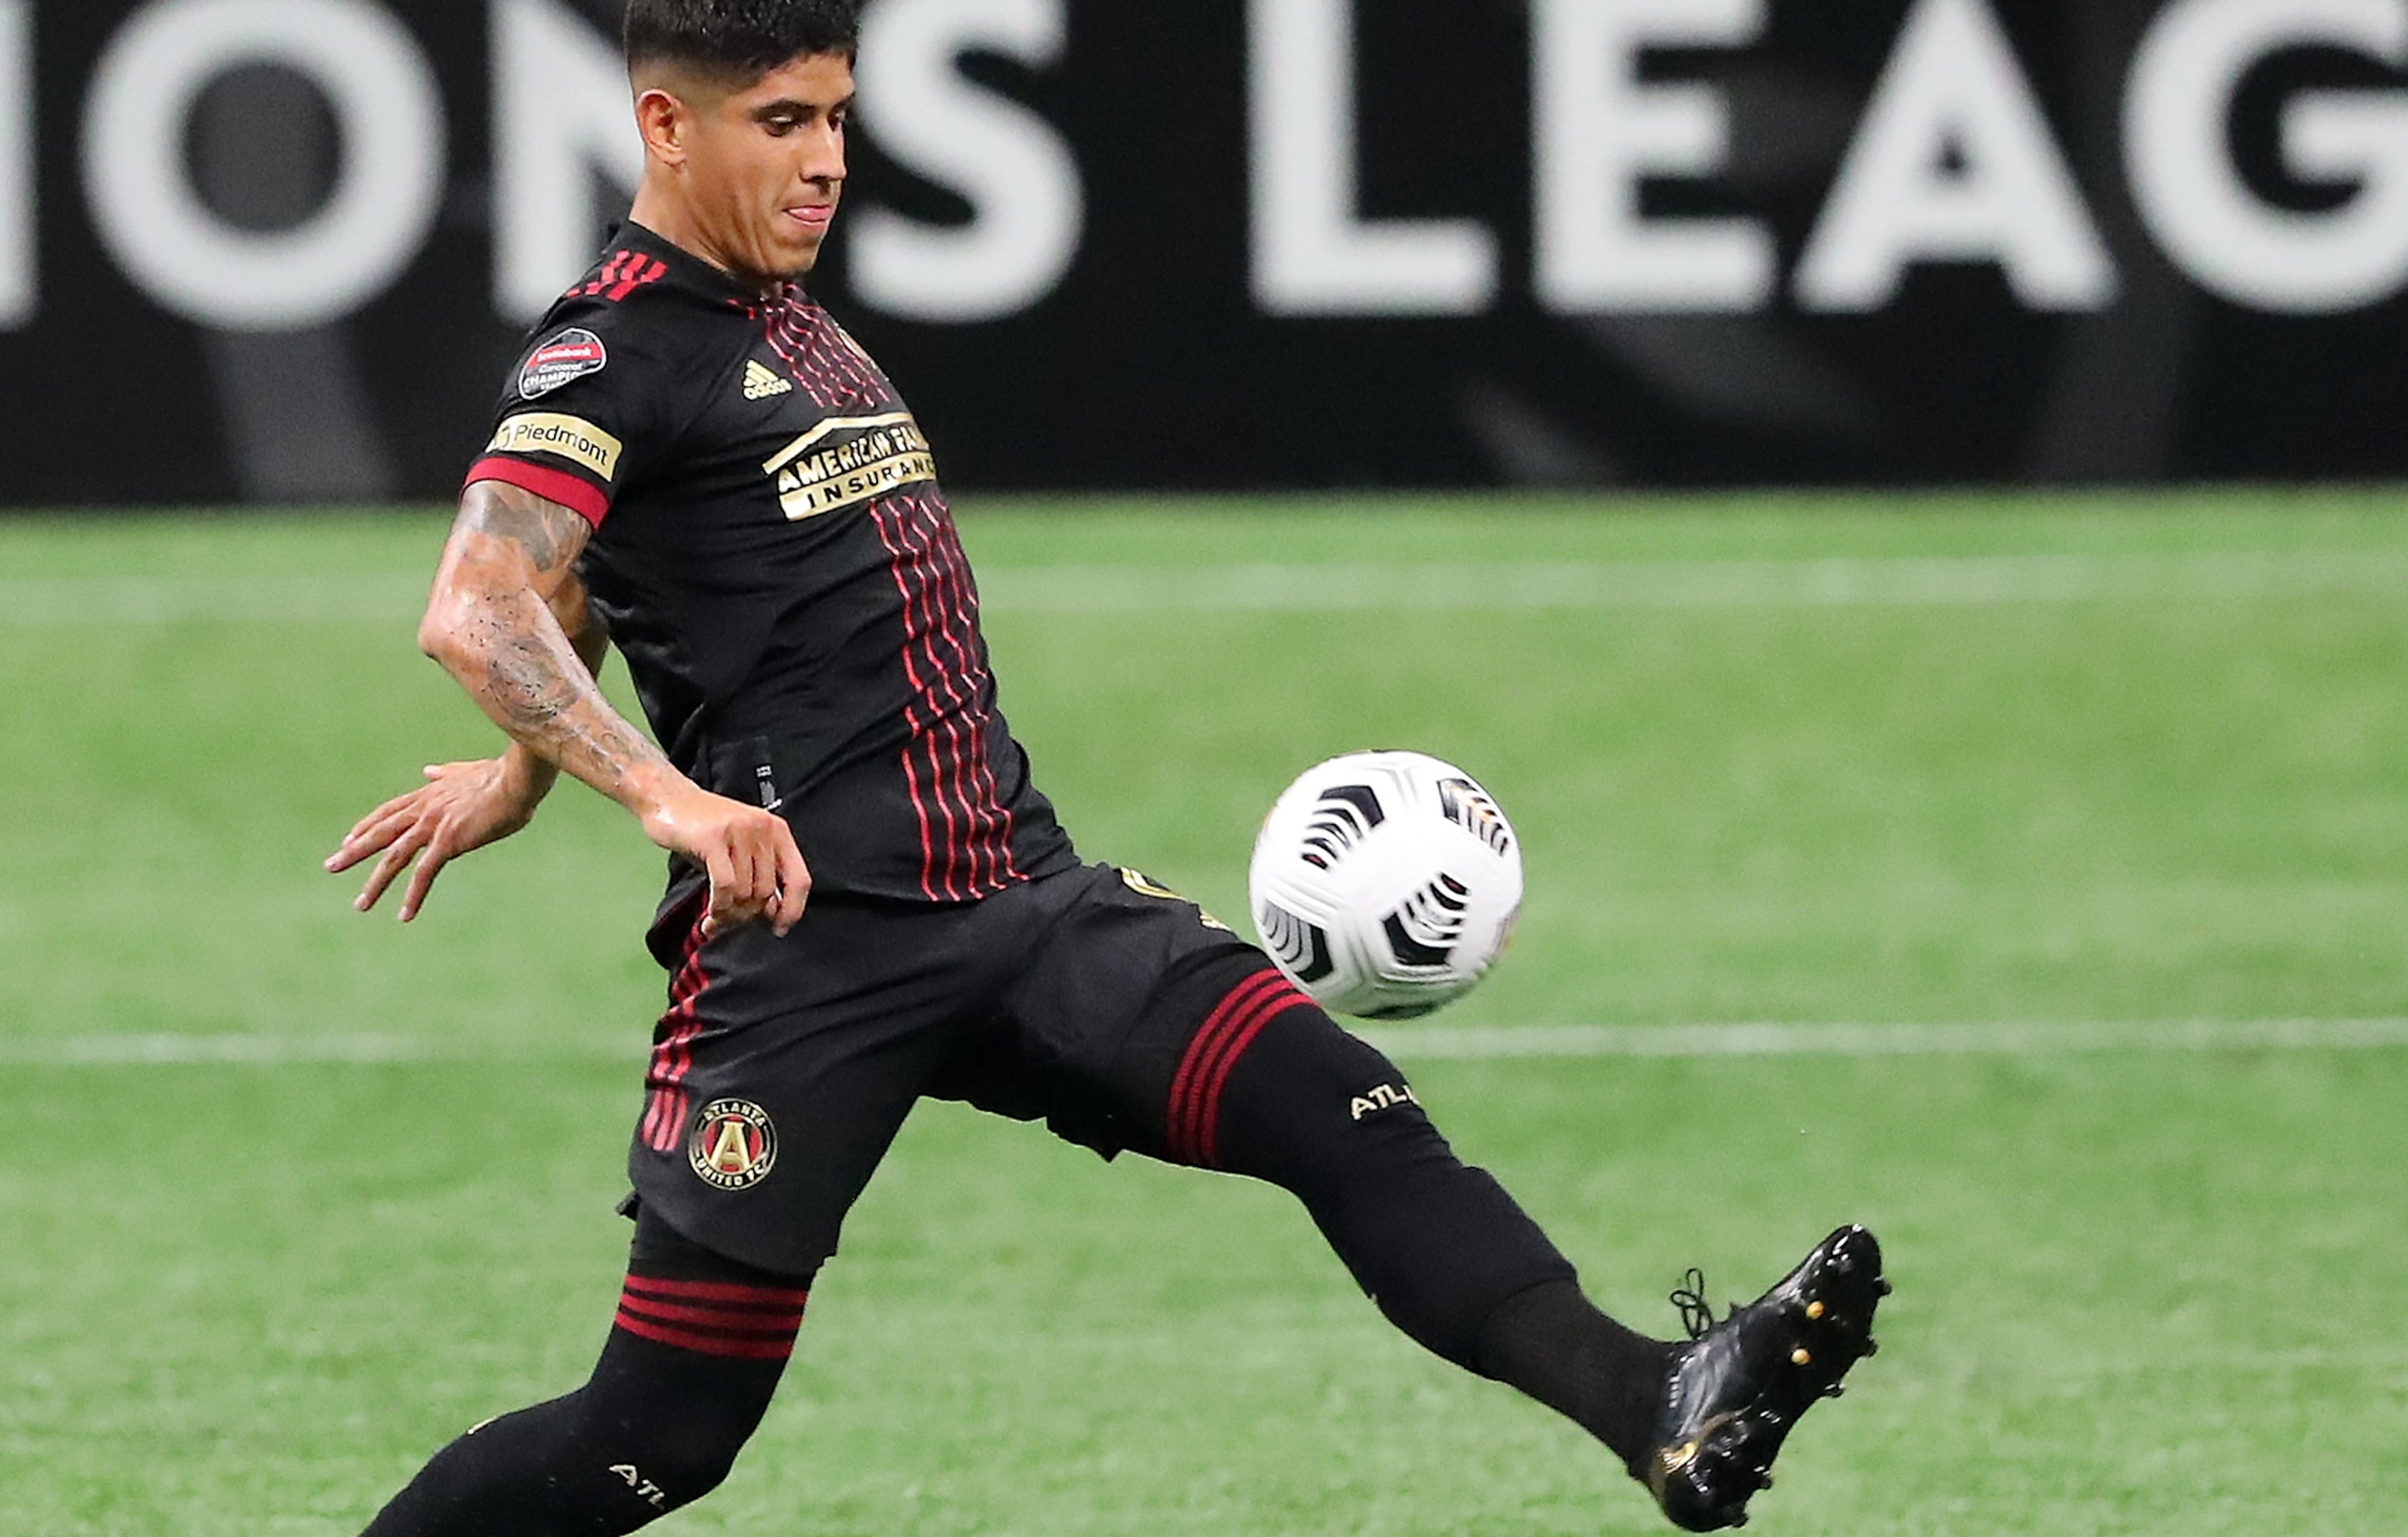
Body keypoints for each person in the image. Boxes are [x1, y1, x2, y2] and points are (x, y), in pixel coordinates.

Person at [324, 2, 1886, 1530]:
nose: (826, 162)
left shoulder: (774, 307)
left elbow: (607, 568)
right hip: (814, 954)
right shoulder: (613, 348)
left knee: (1339, 1108)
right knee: (660, 1433)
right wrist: (659, 794)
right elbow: (480, 602)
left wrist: (521, 776)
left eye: (841, 117)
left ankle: (1658, 1406)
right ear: (666, 124)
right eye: (782, 122)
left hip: (1019, 896)